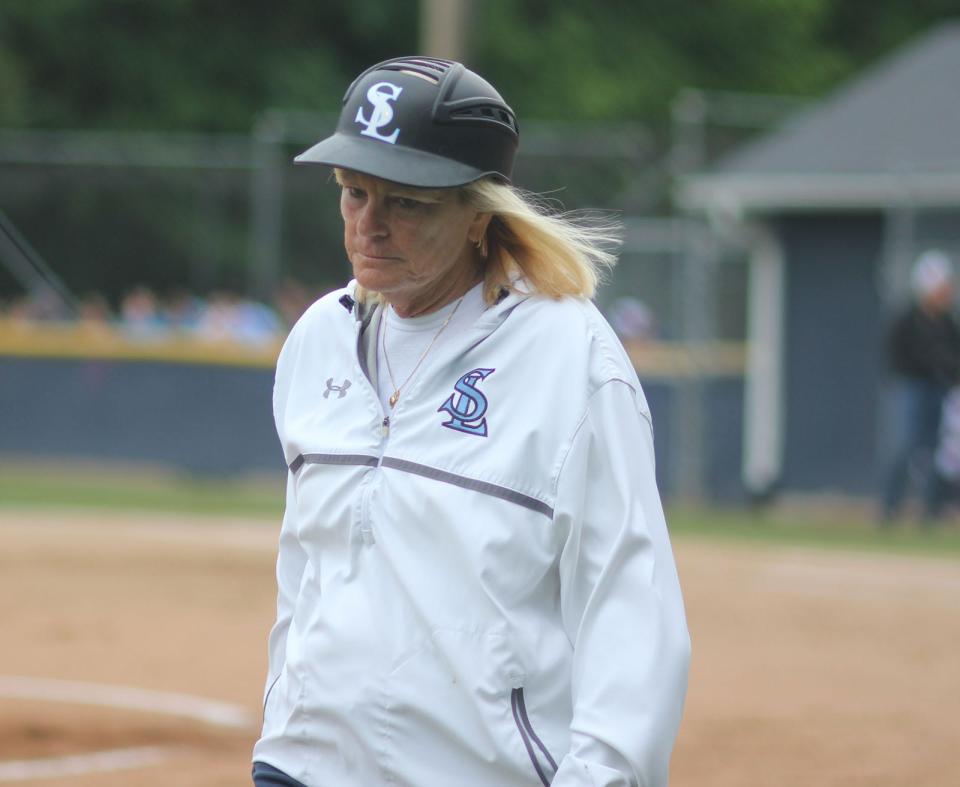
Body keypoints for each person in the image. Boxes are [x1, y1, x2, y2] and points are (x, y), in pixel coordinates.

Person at [252, 56, 690, 787]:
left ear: (480, 211)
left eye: (407, 203)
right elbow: (305, 571)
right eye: (353, 193)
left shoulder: (568, 358)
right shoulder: (318, 341)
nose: (370, 225)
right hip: (305, 767)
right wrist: (282, 727)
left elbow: (628, 603)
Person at [880, 249, 960, 523]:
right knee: (905, 446)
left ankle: (930, 511)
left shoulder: (948, 323)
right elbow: (897, 356)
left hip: (940, 390)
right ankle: (890, 509)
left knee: (935, 452)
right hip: (912, 388)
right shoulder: (908, 319)